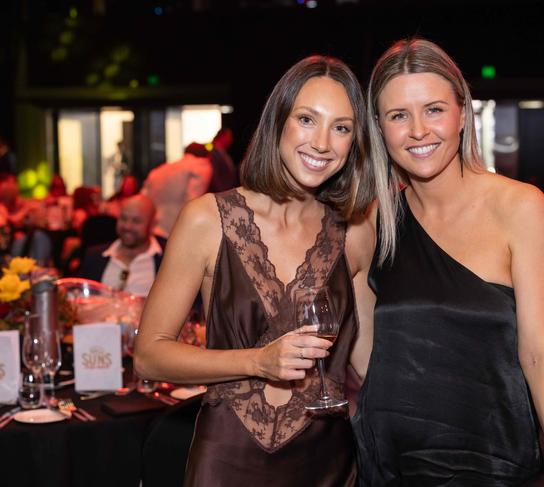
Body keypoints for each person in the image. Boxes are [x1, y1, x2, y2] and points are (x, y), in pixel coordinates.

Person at [134, 55, 375, 486]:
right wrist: (257, 361)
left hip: (328, 465)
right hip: (229, 462)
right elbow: (150, 356)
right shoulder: (207, 219)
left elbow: (372, 363)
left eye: (341, 127)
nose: (322, 143)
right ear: (278, 121)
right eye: (306, 119)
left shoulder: (354, 233)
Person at [352, 39, 544, 486]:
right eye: (399, 115)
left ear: (462, 114)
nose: (418, 130)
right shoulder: (376, 220)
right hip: (394, 461)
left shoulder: (519, 207)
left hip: (491, 458)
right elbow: (367, 351)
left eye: (434, 109)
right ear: (379, 128)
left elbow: (540, 351)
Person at [78, 194, 163, 297]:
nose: (127, 226)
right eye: (123, 218)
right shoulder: (95, 257)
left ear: (152, 224)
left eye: (136, 221)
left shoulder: (166, 259)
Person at [141, 142, 212, 238]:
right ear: (206, 155)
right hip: (174, 232)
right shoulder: (201, 166)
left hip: (150, 231)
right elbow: (193, 202)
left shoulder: (159, 170)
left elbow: (143, 199)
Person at [207, 127, 238, 193]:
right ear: (222, 136)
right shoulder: (214, 152)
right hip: (221, 194)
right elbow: (214, 175)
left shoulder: (221, 151)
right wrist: (222, 193)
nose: (231, 139)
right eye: (229, 136)